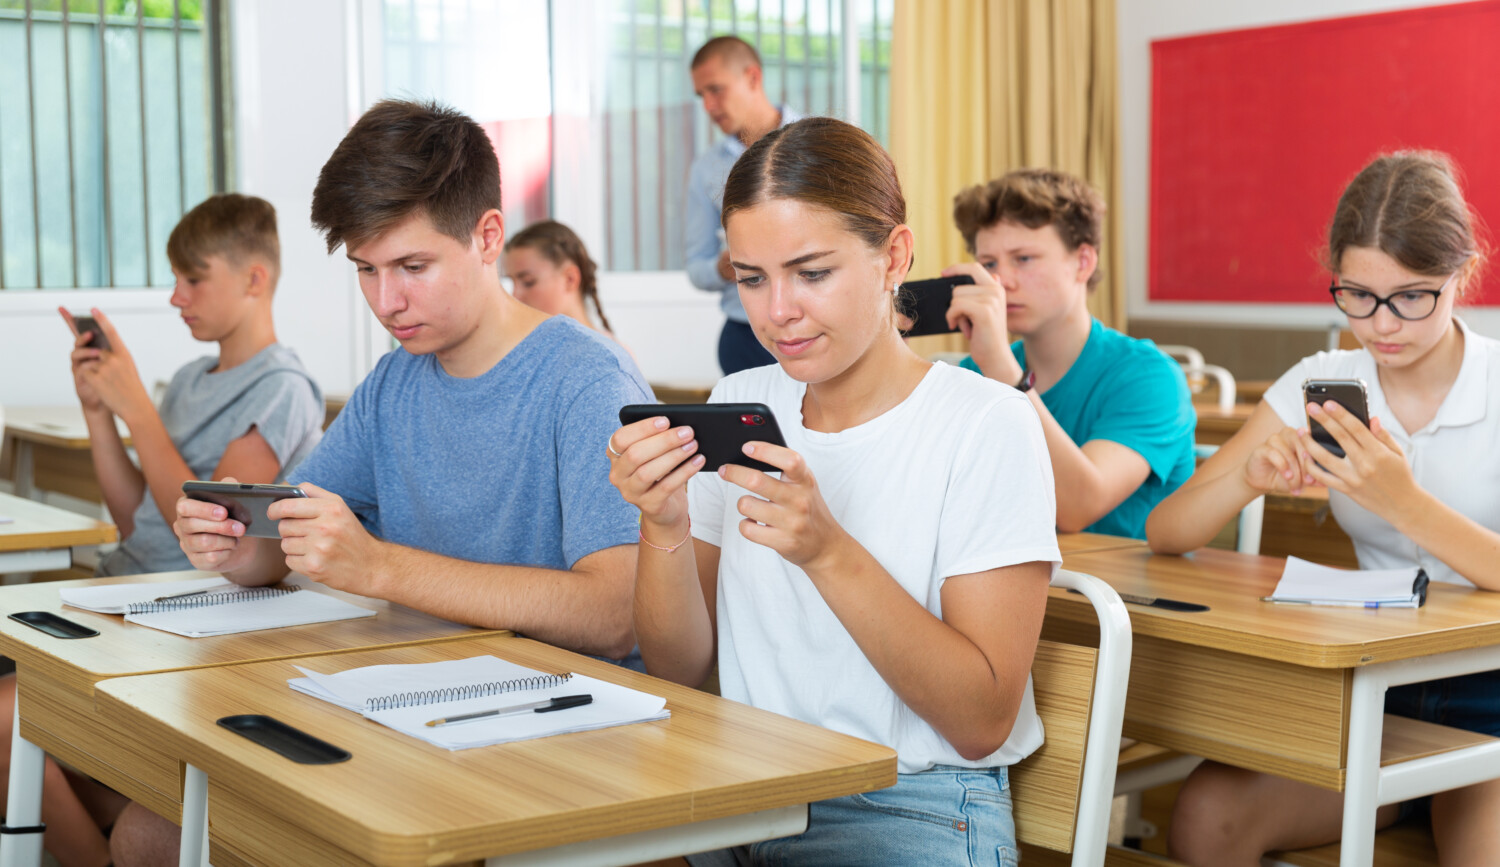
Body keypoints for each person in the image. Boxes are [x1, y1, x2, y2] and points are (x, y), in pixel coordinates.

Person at [126, 99, 649, 866]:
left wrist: (379, 566)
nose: (386, 301)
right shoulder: (396, 381)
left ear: (488, 238)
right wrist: (231, 540)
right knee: (150, 831)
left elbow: (614, 614)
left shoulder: (585, 378)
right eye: (366, 271)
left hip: (561, 726)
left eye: (411, 267)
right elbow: (288, 536)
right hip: (420, 701)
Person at [609, 116, 1059, 866]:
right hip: (741, 786)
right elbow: (681, 666)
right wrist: (663, 523)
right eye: (752, 278)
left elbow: (980, 719)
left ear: (895, 257)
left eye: (812, 273)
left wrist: (827, 551)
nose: (776, 310)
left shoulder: (987, 424)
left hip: (906, 803)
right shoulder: (744, 395)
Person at [1148, 151, 1500, 866]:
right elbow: (1167, 530)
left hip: (1490, 697)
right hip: (1379, 685)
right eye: (1357, 295)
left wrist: (1402, 503)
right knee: (1208, 816)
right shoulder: (1325, 380)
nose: (1381, 324)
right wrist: (1247, 474)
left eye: (1412, 296)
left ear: (1461, 275)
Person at [0, 192, 325, 867]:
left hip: (192, 602)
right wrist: (100, 413)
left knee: (6, 714)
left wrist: (139, 412)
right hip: (128, 586)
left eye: (193, 276)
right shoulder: (186, 379)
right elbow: (137, 518)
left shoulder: (284, 387)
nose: (177, 296)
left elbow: (218, 533)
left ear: (254, 279)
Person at [941, 169, 1196, 539]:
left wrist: (999, 365)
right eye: (989, 264)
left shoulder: (1150, 377)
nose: (1002, 281)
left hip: (1116, 592)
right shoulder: (975, 371)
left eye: (1024, 259)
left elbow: (1078, 507)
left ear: (1083, 262)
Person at [685, 34, 802, 375]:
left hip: (818, 325)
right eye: (701, 95)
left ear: (752, 78)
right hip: (744, 340)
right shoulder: (706, 170)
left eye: (715, 89)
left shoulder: (824, 140)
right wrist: (722, 269)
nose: (707, 106)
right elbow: (696, 265)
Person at [504, 220, 645, 383]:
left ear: (570, 279)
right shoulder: (520, 354)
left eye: (528, 282)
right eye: (512, 282)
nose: (515, 295)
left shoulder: (613, 358)